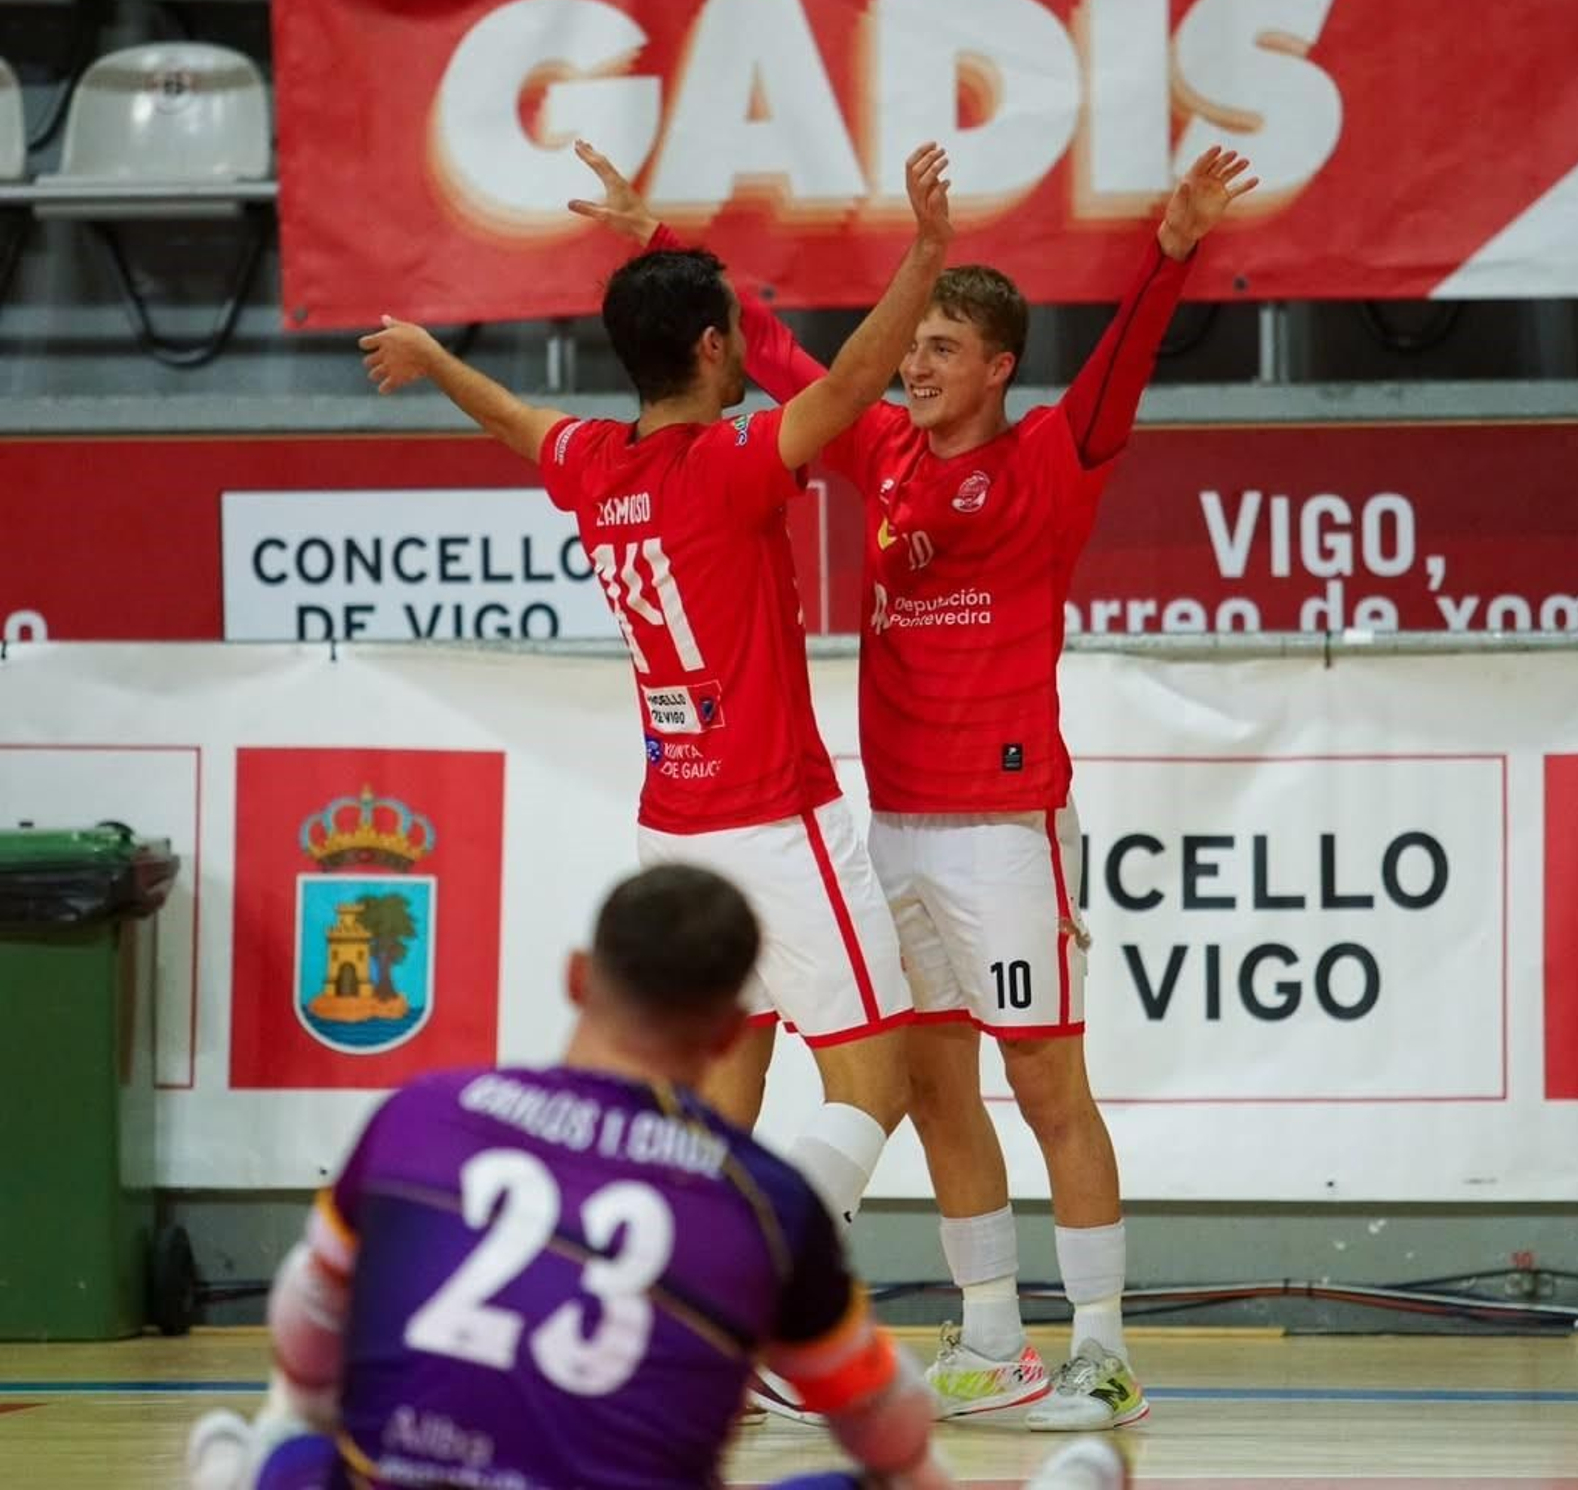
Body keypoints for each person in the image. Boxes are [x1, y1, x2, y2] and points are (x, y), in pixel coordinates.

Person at [566, 141, 1257, 1431]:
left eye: (943, 347)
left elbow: (1119, 368)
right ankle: (990, 1338)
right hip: (895, 822)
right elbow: (763, 351)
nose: (917, 364)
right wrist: (650, 237)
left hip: (1006, 824)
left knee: (1049, 1084)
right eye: (914, 344)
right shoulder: (878, 448)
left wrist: (1169, 250)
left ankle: (1100, 1348)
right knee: (936, 1087)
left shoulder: (1055, 455)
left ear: (998, 366)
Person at [356, 144, 955, 1233]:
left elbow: (508, 417)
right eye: (732, 330)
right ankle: (759, 1292)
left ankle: (679, 1314)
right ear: (715, 347)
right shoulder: (726, 466)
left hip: (672, 829)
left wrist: (437, 358)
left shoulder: (593, 462)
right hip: (773, 815)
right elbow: (858, 384)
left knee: (722, 1096)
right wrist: (926, 253)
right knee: (878, 1085)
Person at [186, 864, 955, 1490]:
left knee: (295, 1451)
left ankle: (241, 1466)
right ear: (729, 1032)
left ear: (578, 978)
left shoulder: (420, 1117)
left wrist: (303, 1417)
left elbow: (306, 1314)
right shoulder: (765, 1199)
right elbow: (886, 1421)